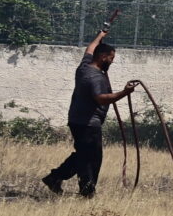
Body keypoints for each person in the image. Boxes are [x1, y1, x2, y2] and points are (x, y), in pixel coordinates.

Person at [42, 28, 138, 197]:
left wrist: (100, 35)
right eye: (111, 58)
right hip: (88, 124)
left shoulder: (84, 67)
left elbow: (89, 49)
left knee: (83, 155)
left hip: (77, 120)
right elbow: (101, 98)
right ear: (103, 57)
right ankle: (85, 191)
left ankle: (55, 178)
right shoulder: (95, 77)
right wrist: (124, 93)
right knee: (91, 160)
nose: (112, 61)